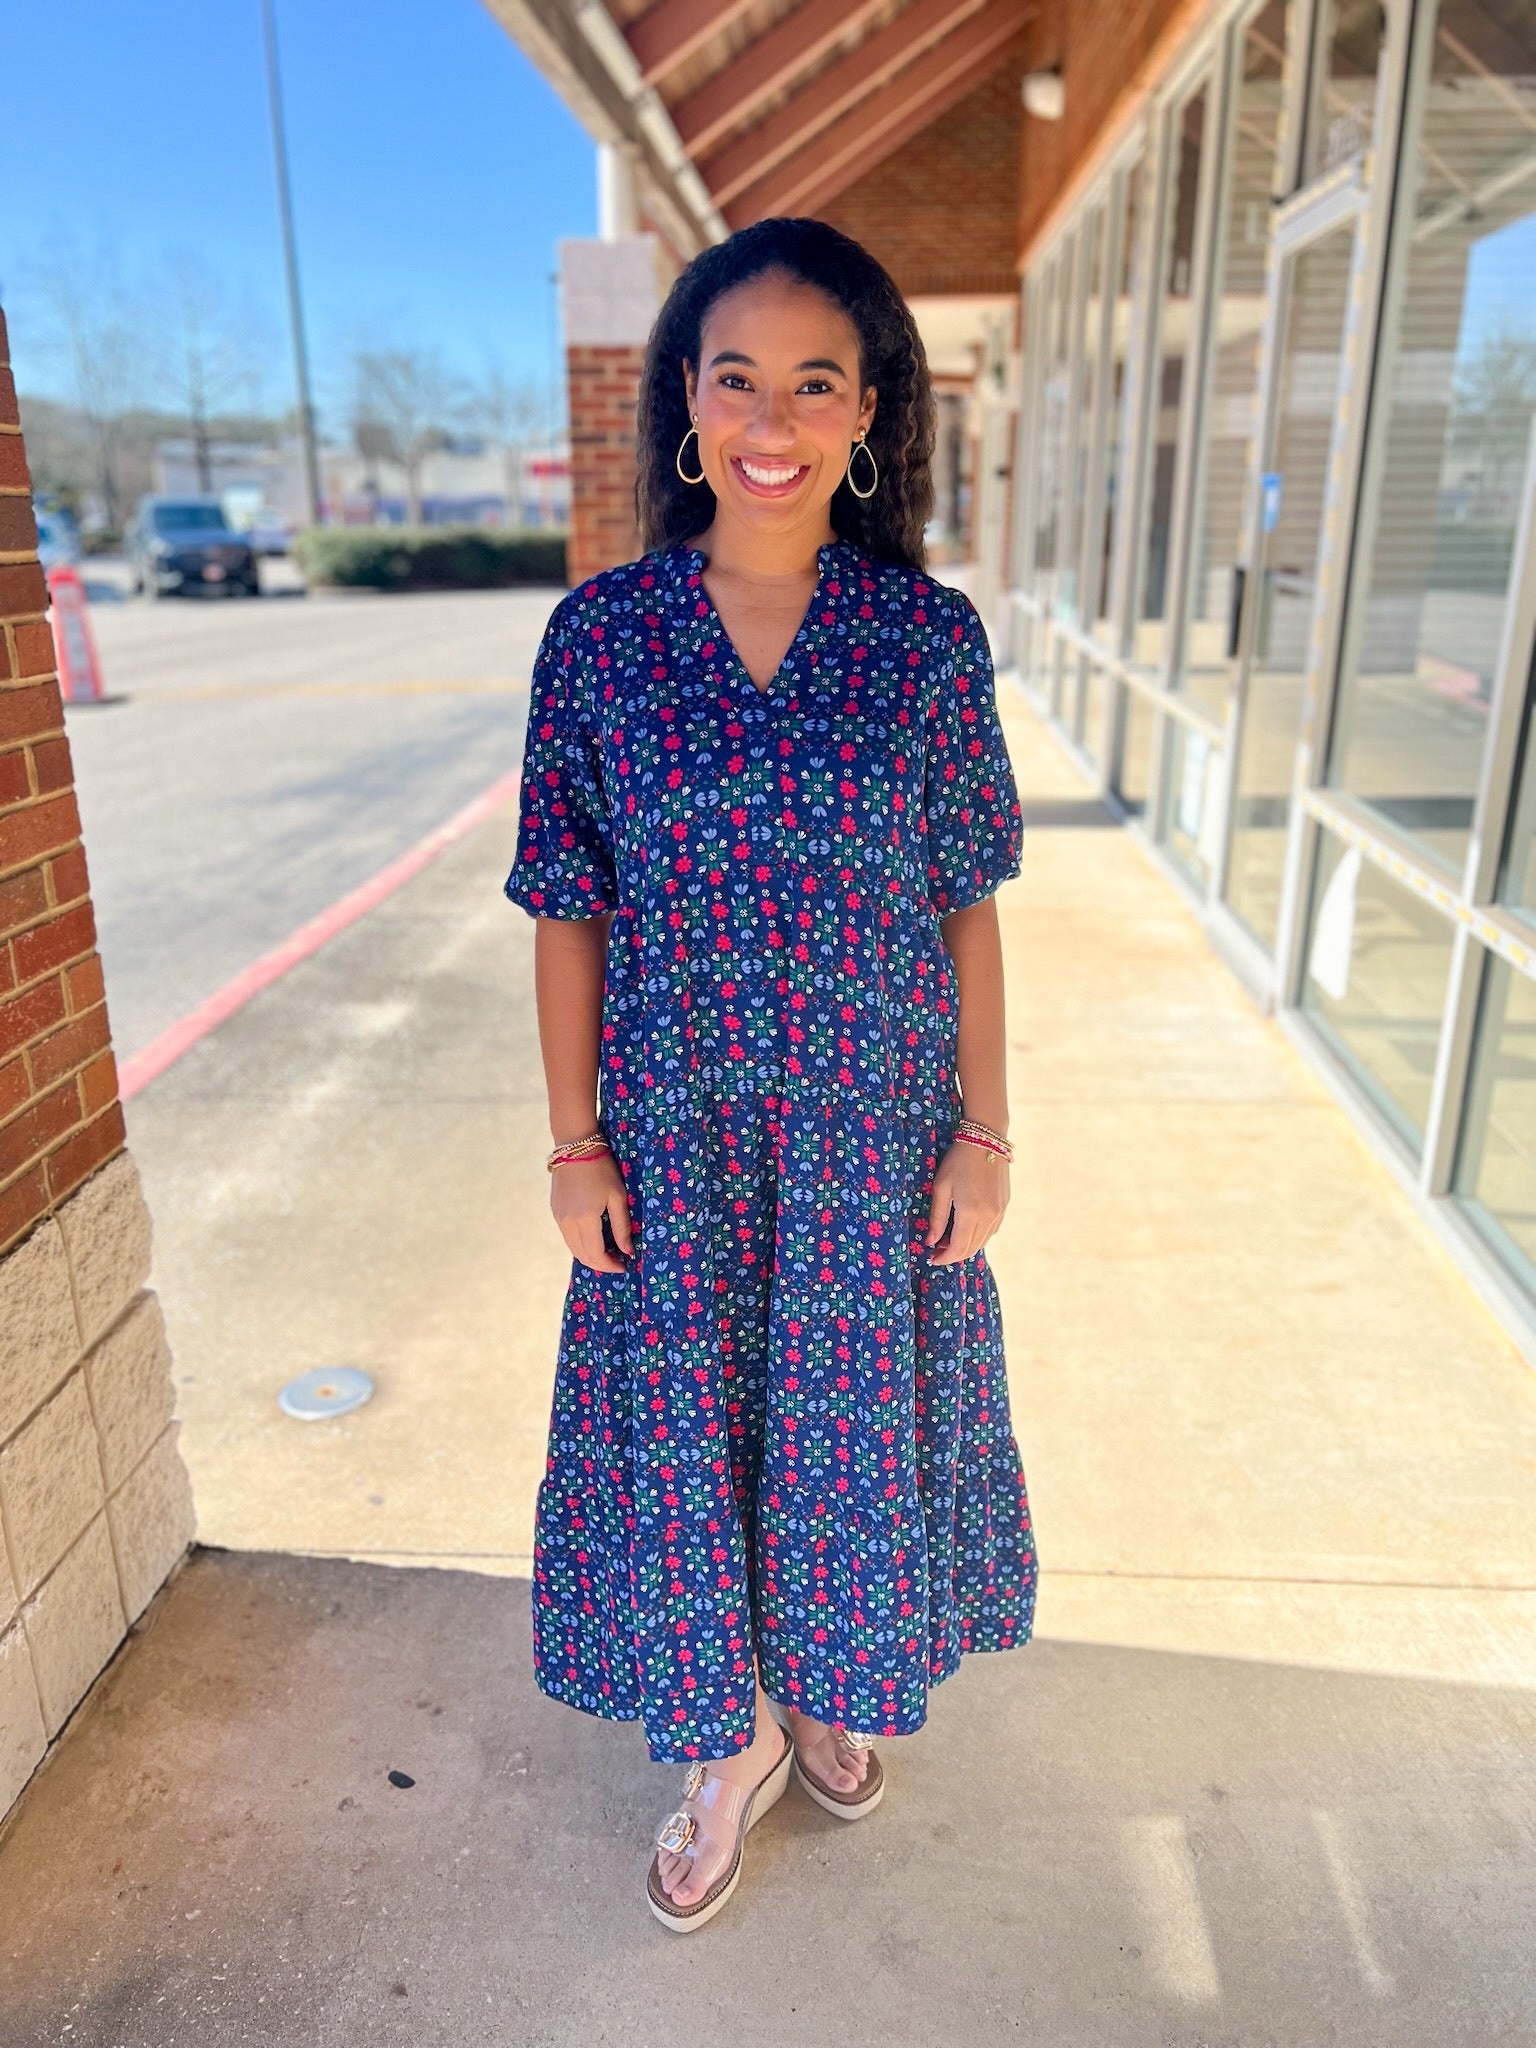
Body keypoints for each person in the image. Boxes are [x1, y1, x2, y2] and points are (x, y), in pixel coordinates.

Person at [504, 216, 1038, 1933]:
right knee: (692, 1449)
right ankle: (716, 1744)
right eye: (738, 375)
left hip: (872, 1149)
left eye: (818, 381)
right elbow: (566, 911)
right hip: (674, 1148)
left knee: (841, 1449)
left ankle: (819, 1688)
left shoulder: (924, 640)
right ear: (685, 396)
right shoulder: (600, 642)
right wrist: (575, 1145)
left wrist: (986, 1128)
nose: (774, 417)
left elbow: (966, 906)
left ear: (869, 409)